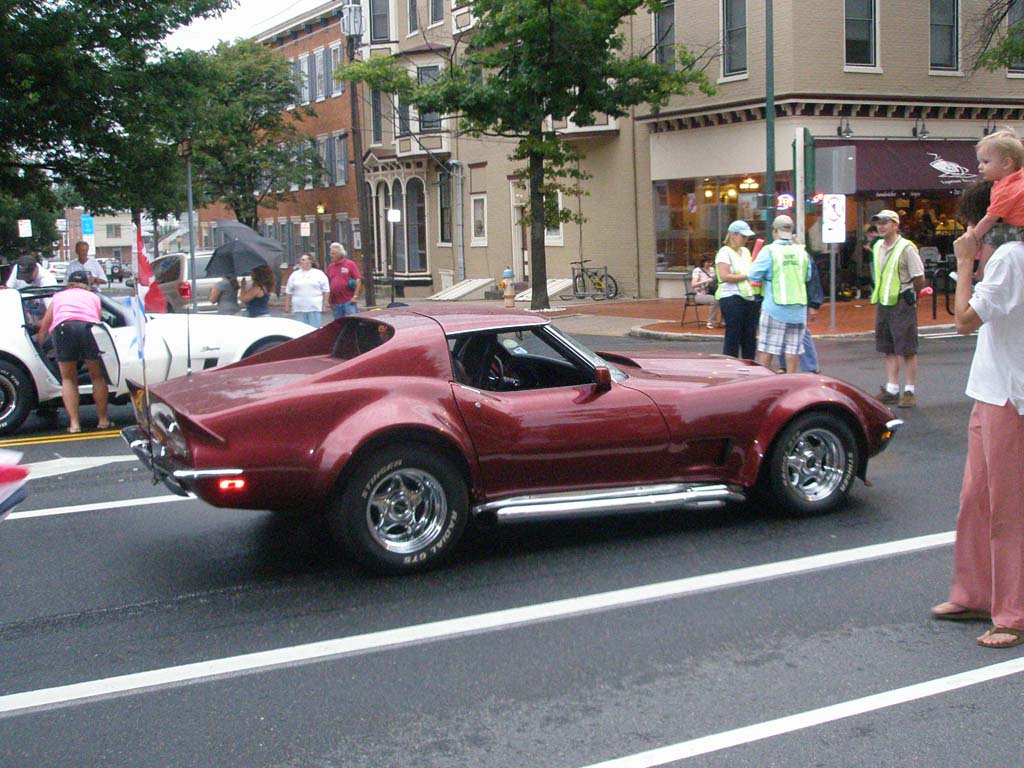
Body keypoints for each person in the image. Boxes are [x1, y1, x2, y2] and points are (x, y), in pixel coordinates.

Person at [930, 180, 1024, 649]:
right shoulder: (1004, 255)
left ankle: (1011, 612)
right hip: (990, 390)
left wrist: (965, 260)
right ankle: (975, 592)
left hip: (1011, 395)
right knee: (976, 500)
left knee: (1007, 508)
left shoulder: (1010, 258)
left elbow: (964, 321)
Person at [35, 272, 110, 433]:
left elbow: (46, 325)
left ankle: (75, 424)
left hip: (64, 329)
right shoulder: (93, 297)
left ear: (68, 283)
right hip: (88, 328)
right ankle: (103, 420)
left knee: (68, 379)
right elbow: (97, 318)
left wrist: (39, 346)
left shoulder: (58, 297)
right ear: (86, 284)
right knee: (97, 376)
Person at [869, 209, 926, 409]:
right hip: (884, 301)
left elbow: (919, 276)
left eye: (885, 222)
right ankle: (892, 389)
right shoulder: (877, 247)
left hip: (902, 301)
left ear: (895, 225)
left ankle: (909, 390)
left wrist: (913, 296)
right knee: (889, 347)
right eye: (878, 223)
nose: (881, 226)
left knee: (907, 348)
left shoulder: (906, 248)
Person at [749, 215, 815, 374]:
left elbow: (753, 274)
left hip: (775, 308)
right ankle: (790, 381)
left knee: (767, 348)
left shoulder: (769, 250)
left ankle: (763, 383)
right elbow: (808, 276)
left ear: (774, 230)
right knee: (793, 349)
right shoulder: (801, 252)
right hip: (798, 309)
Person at [969, 130, 1024, 278]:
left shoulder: (1005, 189)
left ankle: (981, 274)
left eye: (986, 162)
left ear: (1006, 163)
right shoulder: (1018, 179)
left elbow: (989, 219)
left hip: (1020, 230)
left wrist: (971, 239)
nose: (980, 167)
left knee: (991, 235)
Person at [715, 220, 760, 359]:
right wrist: (746, 276)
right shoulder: (724, 252)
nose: (746, 240)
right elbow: (724, 276)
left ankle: (749, 364)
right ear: (733, 235)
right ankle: (730, 364)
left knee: (750, 336)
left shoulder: (745, 251)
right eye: (743, 236)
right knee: (734, 335)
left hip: (748, 296)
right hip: (731, 297)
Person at [284, 254, 330, 327]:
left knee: (313, 329)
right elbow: (288, 291)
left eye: (303, 260)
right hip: (299, 308)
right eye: (301, 260)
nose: (301, 261)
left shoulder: (319, 274)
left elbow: (326, 290)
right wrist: (287, 305)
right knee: (301, 330)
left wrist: (325, 304)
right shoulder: (295, 274)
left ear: (310, 262)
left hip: (314, 307)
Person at [326, 242, 362, 318]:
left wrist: (355, 296)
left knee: (351, 322)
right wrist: (329, 301)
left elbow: (358, 280)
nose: (331, 256)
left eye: (333, 254)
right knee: (339, 325)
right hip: (336, 302)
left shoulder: (350, 264)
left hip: (348, 301)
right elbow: (328, 284)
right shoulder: (330, 267)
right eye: (331, 253)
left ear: (340, 254)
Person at [690, 256, 721, 329]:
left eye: (711, 262)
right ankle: (711, 321)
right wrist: (706, 281)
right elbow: (693, 284)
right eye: (707, 262)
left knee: (725, 298)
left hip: (712, 292)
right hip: (701, 294)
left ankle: (724, 321)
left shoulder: (712, 270)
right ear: (703, 262)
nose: (709, 264)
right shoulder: (697, 270)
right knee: (715, 300)